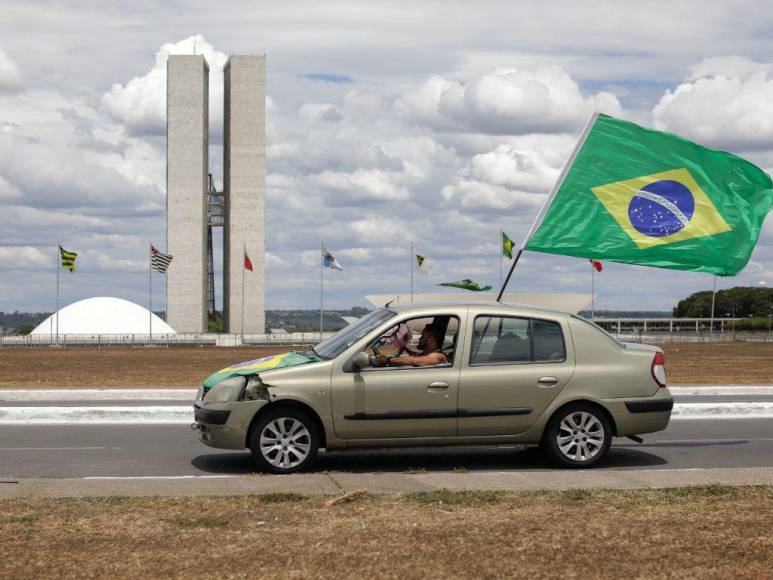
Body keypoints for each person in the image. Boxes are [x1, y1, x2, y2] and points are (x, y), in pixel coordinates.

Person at [375, 323, 447, 367]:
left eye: (423, 336)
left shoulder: (438, 356)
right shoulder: (428, 353)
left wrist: (388, 360)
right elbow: (417, 355)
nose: (420, 338)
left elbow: (416, 361)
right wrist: (406, 349)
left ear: (431, 341)